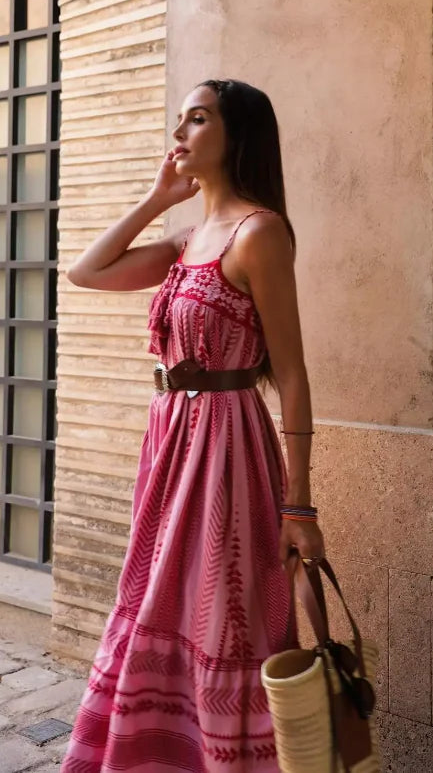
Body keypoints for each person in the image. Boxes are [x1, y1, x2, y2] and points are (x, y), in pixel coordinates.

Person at [60, 79, 325, 773]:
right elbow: (85, 272)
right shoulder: (187, 238)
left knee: (223, 613)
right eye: (179, 119)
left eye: (198, 119)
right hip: (170, 445)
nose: (179, 132)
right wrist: (157, 199)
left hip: (227, 449)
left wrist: (300, 504)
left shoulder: (257, 231)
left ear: (237, 135)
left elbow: (292, 375)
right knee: (161, 601)